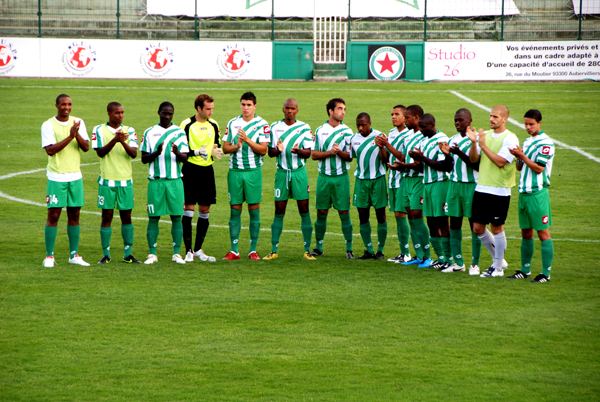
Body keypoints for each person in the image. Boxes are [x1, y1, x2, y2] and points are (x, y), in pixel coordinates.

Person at [467, 105, 519, 277]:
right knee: (477, 228)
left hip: (499, 190)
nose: (491, 119)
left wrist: (484, 145)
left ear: (504, 119)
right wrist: (475, 144)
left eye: (495, 117)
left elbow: (500, 162)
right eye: (490, 116)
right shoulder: (485, 136)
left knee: (497, 228)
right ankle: (499, 259)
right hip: (482, 187)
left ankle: (497, 268)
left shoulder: (510, 138)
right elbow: (474, 160)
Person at [42, 94, 91, 267]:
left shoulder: (78, 122)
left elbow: (86, 148)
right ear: (56, 105)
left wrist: (76, 134)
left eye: (69, 104)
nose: (67, 107)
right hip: (56, 177)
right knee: (54, 215)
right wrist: (70, 137)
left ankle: (74, 255)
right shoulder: (48, 125)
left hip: (75, 177)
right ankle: (49, 256)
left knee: (74, 214)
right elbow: (50, 150)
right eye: (63, 104)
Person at [263, 98, 315, 260]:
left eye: (293, 108)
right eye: (287, 108)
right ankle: (273, 250)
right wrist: (278, 150)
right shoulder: (275, 127)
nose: (289, 111)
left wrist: (299, 151)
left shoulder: (304, 127)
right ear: (283, 109)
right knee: (279, 211)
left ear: (297, 111)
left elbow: (309, 153)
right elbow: (270, 152)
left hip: (299, 173)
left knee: (304, 210)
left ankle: (307, 250)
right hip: (282, 174)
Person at [507, 109, 555, 283]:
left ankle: (545, 273)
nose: (528, 127)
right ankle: (525, 270)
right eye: (526, 124)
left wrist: (522, 156)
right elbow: (521, 168)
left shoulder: (546, 143)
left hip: (537, 194)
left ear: (539, 123)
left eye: (531, 124)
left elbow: (538, 168)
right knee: (526, 233)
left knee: (543, 233)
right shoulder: (527, 141)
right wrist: (518, 158)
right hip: (523, 194)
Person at [222, 92, 270, 260]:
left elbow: (264, 150)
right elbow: (225, 148)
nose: (245, 108)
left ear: (255, 106)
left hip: (253, 173)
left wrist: (248, 140)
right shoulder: (233, 123)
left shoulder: (263, 124)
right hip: (235, 172)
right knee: (235, 210)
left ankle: (252, 250)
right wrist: (237, 145)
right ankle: (234, 250)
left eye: (249, 105)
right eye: (243, 104)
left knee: (254, 211)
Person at [140, 102, 189, 265]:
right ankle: (152, 254)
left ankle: (176, 254)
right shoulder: (149, 132)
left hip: (175, 182)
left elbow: (186, 158)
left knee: (176, 217)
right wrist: (156, 153)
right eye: (165, 113)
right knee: (153, 217)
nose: (167, 116)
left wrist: (177, 153)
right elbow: (143, 159)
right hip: (156, 182)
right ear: (158, 112)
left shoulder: (180, 132)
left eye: (170, 113)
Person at [92, 102, 141, 265]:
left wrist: (122, 142)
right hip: (106, 181)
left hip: (125, 181)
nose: (120, 115)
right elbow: (100, 152)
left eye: (122, 112)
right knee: (106, 216)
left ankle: (128, 254)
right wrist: (114, 140)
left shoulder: (130, 130)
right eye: (117, 113)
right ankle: (106, 254)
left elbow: (134, 154)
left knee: (126, 216)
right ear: (109, 114)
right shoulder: (98, 130)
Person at [179, 94, 223, 263]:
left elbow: (216, 144)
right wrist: (196, 152)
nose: (211, 112)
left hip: (206, 171)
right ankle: (188, 250)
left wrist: (215, 151)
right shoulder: (187, 124)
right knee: (188, 210)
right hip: (190, 170)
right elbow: (181, 150)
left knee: (204, 211)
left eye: (212, 108)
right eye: (208, 109)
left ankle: (198, 249)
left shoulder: (214, 124)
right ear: (199, 108)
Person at [389, 105, 433, 268]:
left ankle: (428, 256)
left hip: (418, 180)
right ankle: (418, 255)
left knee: (417, 215)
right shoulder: (408, 136)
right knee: (410, 216)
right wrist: (401, 165)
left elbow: (420, 163)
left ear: (416, 118)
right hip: (405, 180)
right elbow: (405, 156)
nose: (405, 120)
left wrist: (404, 166)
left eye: (407, 118)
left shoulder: (424, 137)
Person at [311, 98, 355, 259]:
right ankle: (319, 247)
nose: (343, 112)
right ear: (331, 111)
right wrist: (330, 153)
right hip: (324, 178)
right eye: (340, 109)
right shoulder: (320, 131)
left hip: (341, 178)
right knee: (321, 212)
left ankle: (349, 248)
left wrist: (339, 153)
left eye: (344, 109)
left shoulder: (348, 132)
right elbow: (314, 154)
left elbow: (350, 157)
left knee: (344, 212)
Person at [409, 113, 452, 270]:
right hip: (427, 184)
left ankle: (449, 258)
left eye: (424, 127)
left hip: (440, 184)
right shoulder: (423, 140)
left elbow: (444, 165)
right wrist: (416, 159)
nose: (421, 130)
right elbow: (423, 167)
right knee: (431, 221)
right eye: (419, 127)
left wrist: (422, 158)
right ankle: (440, 258)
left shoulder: (441, 139)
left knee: (442, 220)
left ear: (433, 124)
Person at [444, 108, 482, 275]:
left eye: (460, 120)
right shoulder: (451, 140)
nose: (457, 123)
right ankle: (458, 262)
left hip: (471, 186)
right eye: (455, 120)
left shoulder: (477, 140)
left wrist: (458, 152)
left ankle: (475, 263)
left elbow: (476, 165)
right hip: (454, 185)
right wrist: (446, 154)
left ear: (470, 120)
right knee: (455, 224)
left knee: (474, 226)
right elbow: (448, 166)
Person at [376, 105, 412, 263]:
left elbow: (402, 158)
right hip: (392, 179)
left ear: (405, 117)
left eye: (397, 114)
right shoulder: (390, 133)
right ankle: (403, 252)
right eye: (392, 114)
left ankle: (407, 253)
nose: (393, 117)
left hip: (404, 179)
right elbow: (385, 159)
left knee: (402, 215)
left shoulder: (409, 134)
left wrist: (387, 145)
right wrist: (381, 147)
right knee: (398, 216)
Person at [350, 113, 388, 260]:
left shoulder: (379, 136)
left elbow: (385, 159)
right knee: (362, 215)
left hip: (378, 179)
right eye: (358, 125)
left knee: (380, 215)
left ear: (370, 123)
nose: (360, 128)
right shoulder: (353, 139)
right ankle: (369, 250)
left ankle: (380, 250)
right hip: (361, 181)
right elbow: (353, 156)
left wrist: (380, 147)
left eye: (363, 125)